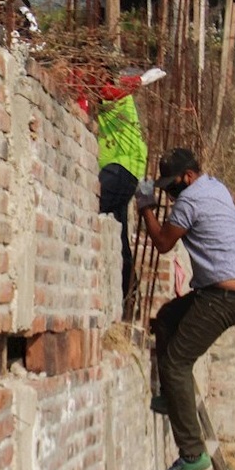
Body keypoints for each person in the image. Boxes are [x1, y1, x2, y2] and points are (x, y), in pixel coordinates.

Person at [136, 147, 235, 470]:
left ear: (188, 176)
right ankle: (172, 398)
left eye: (171, 184)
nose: (168, 192)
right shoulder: (216, 188)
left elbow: (163, 243)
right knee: (166, 319)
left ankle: (192, 454)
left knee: (177, 363)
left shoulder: (189, 201)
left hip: (224, 296)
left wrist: (146, 206)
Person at [93, 72, 149, 305]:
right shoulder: (104, 96)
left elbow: (112, 91)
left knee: (90, 209)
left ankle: (125, 293)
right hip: (122, 168)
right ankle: (129, 294)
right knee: (119, 233)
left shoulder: (113, 92)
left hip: (123, 166)